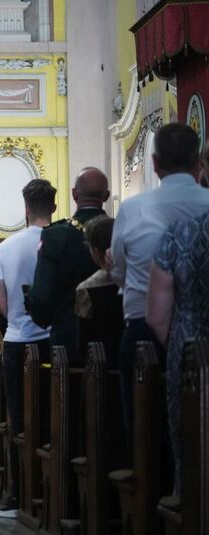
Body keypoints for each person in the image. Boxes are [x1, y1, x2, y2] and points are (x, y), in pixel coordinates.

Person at [110, 123, 209, 453]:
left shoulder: (133, 209)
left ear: (154, 163)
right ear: (199, 163)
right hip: (205, 331)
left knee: (144, 432)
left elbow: (119, 271)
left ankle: (147, 494)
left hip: (144, 335)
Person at [0, 178, 56, 519]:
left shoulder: (6, 247)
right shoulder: (60, 242)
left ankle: (17, 494)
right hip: (52, 342)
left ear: (26, 208)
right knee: (55, 413)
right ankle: (54, 491)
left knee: (18, 417)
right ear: (55, 207)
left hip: (17, 341)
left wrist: (19, 319)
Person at [147, 209, 209, 496]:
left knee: (192, 443)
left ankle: (188, 502)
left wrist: (181, 354)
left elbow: (157, 315)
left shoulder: (182, 230)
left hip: (191, 347)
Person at [25, 167, 110, 361]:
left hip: (68, 343)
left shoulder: (56, 235)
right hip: (111, 341)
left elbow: (41, 298)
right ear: (106, 195)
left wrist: (43, 319)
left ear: (74, 194)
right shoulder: (120, 231)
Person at [75, 216, 123, 369]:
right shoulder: (136, 278)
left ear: (95, 251)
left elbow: (83, 339)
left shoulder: (87, 288)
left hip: (100, 364)